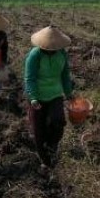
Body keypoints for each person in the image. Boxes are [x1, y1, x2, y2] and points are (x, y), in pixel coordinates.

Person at [24, 25, 74, 168]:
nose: (51, 50)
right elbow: (30, 78)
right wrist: (33, 97)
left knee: (59, 121)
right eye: (48, 48)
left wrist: (68, 93)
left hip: (55, 94)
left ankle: (52, 145)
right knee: (38, 131)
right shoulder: (35, 55)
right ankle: (45, 161)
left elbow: (65, 75)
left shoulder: (62, 54)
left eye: (54, 48)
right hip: (37, 96)